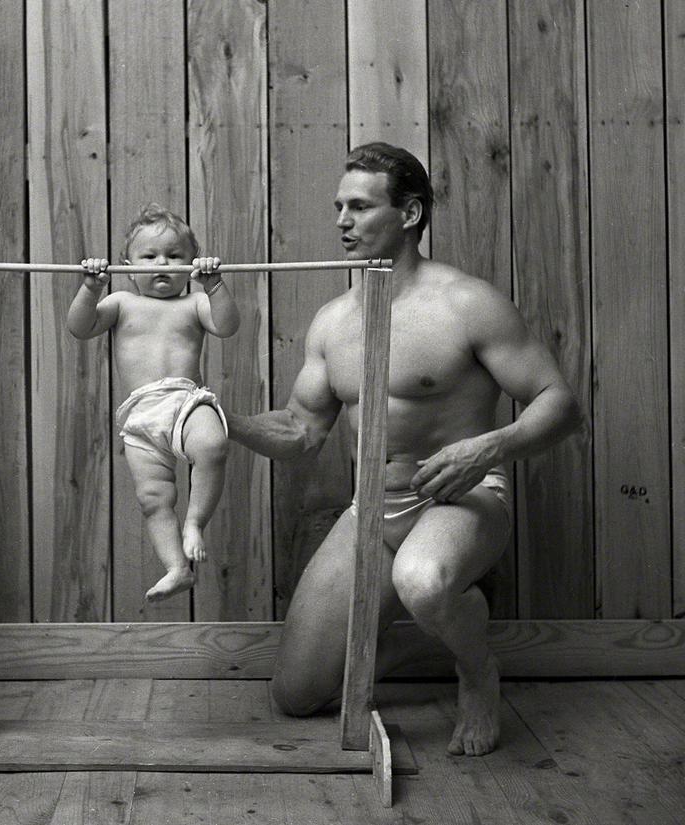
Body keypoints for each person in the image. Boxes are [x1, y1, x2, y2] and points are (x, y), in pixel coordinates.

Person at [227, 143, 580, 756]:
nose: (342, 220)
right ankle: (424, 634)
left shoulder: (467, 304)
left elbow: (560, 404)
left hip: (459, 501)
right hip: (373, 511)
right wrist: (218, 418)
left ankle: (476, 672)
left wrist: (488, 448)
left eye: (360, 207)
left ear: (410, 214)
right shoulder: (334, 321)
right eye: (339, 206)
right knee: (296, 695)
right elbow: (301, 431)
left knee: (421, 580)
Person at [67, 204, 240, 601]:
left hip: (184, 400)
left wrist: (214, 286)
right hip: (141, 413)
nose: (163, 263)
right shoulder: (120, 304)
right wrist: (90, 287)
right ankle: (177, 567)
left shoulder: (194, 304)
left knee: (212, 445)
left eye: (175, 256)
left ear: (191, 264)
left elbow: (227, 327)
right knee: (153, 499)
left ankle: (194, 522)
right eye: (150, 256)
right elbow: (80, 327)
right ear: (128, 267)